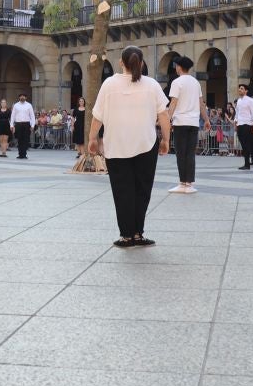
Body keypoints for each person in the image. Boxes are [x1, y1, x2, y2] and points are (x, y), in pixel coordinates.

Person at [88, 46, 170, 248]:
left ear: (120, 63)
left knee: (122, 191)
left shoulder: (109, 84)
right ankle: (137, 233)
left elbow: (97, 116)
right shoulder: (152, 85)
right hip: (146, 144)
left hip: (116, 146)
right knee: (142, 190)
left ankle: (126, 235)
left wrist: (92, 139)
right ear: (141, 63)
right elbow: (164, 116)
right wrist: (166, 140)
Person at [167, 57, 207, 193]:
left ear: (179, 67)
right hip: (194, 122)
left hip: (180, 122)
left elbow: (173, 102)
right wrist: (206, 120)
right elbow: (201, 103)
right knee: (190, 153)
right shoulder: (196, 83)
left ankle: (182, 183)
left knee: (180, 153)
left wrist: (167, 119)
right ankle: (189, 184)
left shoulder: (177, 82)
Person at [234, 84, 253, 170]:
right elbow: (237, 113)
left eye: (242, 89)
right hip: (240, 124)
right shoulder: (239, 101)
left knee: (246, 144)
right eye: (239, 88)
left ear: (246, 91)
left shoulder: (250, 100)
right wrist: (236, 122)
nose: (240, 90)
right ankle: (246, 163)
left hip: (247, 124)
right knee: (243, 144)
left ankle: (247, 164)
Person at [11, 93, 35, 159]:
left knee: (25, 139)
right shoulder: (16, 105)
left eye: (23, 96)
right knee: (19, 139)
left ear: (26, 98)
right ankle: (20, 154)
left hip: (26, 124)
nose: (22, 97)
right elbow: (13, 116)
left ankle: (24, 154)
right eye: (21, 96)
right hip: (18, 124)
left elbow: (32, 116)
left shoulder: (29, 105)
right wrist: (11, 125)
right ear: (19, 98)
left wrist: (32, 125)